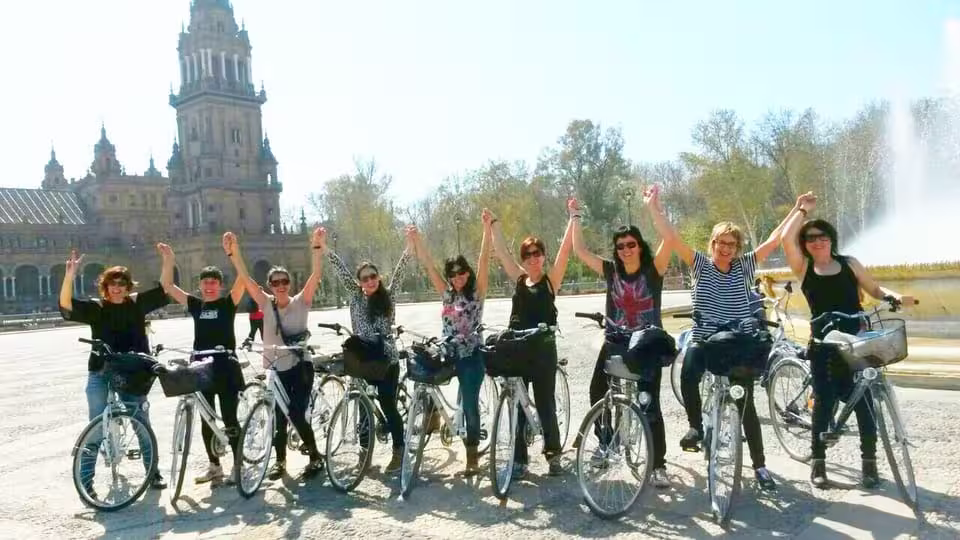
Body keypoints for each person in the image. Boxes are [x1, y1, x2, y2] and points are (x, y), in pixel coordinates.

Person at [665, 196, 806, 492]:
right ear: (712, 244)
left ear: (736, 248)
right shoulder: (701, 265)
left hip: (738, 342)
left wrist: (799, 209)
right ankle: (695, 427)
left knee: (746, 406)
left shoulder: (744, 266)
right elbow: (672, 238)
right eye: (721, 243)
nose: (726, 249)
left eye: (731, 244)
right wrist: (653, 207)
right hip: (705, 339)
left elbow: (774, 239)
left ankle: (760, 466)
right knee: (688, 372)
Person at [780, 193, 914, 489]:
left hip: (857, 344)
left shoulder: (850, 263)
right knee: (823, 405)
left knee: (865, 406)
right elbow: (785, 240)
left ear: (832, 239)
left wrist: (894, 297)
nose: (818, 241)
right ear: (806, 244)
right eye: (811, 238)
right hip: (825, 348)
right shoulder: (804, 269)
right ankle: (818, 464)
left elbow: (875, 289)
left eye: (823, 236)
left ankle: (869, 465)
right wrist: (801, 210)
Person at [569, 187, 674, 488]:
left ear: (640, 246)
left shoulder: (654, 271)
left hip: (646, 345)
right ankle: (607, 442)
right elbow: (580, 251)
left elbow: (669, 239)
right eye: (620, 246)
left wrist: (653, 208)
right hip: (615, 342)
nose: (626, 250)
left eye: (631, 244)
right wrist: (575, 216)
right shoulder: (611, 270)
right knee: (597, 392)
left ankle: (658, 464)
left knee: (648, 403)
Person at [59, 250, 168, 491]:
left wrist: (168, 261)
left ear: (128, 286)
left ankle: (153, 472)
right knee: (96, 427)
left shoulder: (137, 303)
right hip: (100, 370)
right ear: (105, 287)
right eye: (112, 284)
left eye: (121, 284)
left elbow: (165, 290)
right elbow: (65, 306)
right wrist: (69, 276)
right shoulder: (97, 307)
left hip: (133, 373)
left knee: (141, 423)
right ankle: (86, 481)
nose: (116, 288)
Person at [228, 229, 326, 480]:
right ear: (270, 286)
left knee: (294, 413)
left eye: (285, 282)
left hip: (299, 367)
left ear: (289, 284)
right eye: (276, 282)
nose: (281, 286)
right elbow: (246, 278)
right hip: (274, 367)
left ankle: (315, 457)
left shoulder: (301, 301)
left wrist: (316, 247)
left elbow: (316, 275)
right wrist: (234, 252)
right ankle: (280, 462)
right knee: (276, 416)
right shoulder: (265, 303)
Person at [485, 205, 573, 478]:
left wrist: (573, 218)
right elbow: (502, 253)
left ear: (543, 256)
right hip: (519, 349)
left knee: (545, 403)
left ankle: (553, 455)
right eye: (528, 255)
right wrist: (493, 225)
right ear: (523, 260)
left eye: (537, 254)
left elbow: (566, 251)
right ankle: (520, 459)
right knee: (517, 404)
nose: (533, 259)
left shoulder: (550, 282)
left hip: (543, 352)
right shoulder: (520, 280)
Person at [318, 229, 412, 473]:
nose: (369, 281)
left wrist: (410, 247)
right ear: (359, 282)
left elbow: (401, 272)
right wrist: (325, 247)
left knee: (388, 404)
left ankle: (399, 451)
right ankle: (364, 455)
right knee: (362, 405)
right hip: (362, 358)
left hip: (385, 359)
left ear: (378, 278)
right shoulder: (355, 297)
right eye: (365, 278)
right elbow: (340, 271)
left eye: (373, 276)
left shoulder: (387, 296)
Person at [157, 240, 247, 485]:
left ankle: (238, 466)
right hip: (201, 367)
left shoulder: (228, 304)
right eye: (205, 282)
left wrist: (235, 254)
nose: (209, 286)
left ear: (220, 285)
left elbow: (244, 279)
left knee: (229, 418)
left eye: (213, 282)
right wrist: (168, 260)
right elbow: (167, 285)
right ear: (199, 285)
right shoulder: (196, 304)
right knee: (206, 420)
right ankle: (214, 466)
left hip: (226, 366)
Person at [407, 221, 491, 476]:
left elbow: (484, 260)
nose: (457, 279)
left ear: (468, 273)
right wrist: (417, 241)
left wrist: (487, 230)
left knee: (469, 404)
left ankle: (472, 454)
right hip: (448, 353)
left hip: (471, 355)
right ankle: (432, 417)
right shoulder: (446, 294)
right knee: (422, 377)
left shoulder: (477, 293)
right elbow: (428, 265)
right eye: (453, 275)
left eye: (461, 273)